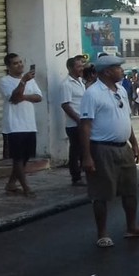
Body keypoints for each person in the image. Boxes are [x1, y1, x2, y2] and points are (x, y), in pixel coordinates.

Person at [79, 54, 139, 248]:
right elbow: (86, 125)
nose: (122, 71)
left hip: (123, 148)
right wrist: (87, 156)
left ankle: (133, 227)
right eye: (118, 68)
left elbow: (125, 119)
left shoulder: (120, 90)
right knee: (101, 193)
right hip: (102, 149)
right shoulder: (92, 93)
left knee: (130, 190)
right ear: (107, 71)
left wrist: (134, 143)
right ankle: (102, 233)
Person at [0, 53, 43, 197]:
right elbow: (13, 97)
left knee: (25, 157)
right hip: (14, 125)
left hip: (29, 123)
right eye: (15, 63)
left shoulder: (30, 80)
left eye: (20, 62)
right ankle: (26, 188)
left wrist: (23, 96)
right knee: (17, 158)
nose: (19, 65)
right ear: (8, 66)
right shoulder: (4, 81)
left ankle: (11, 184)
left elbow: (38, 97)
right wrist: (23, 81)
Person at [60, 55, 87, 186]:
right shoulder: (66, 84)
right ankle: (75, 177)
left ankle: (84, 173)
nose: (81, 68)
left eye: (82, 65)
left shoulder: (81, 82)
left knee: (84, 149)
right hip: (74, 124)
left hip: (84, 121)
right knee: (75, 151)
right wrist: (78, 120)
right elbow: (65, 105)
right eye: (78, 66)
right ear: (70, 68)